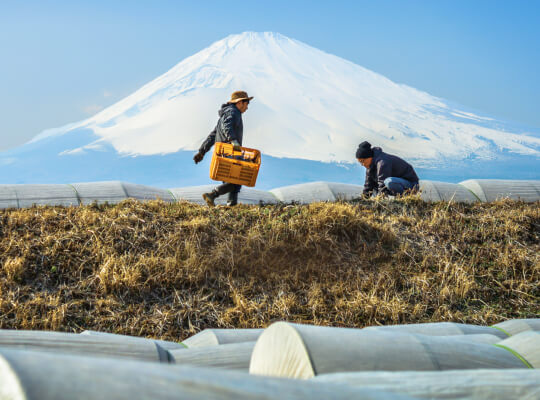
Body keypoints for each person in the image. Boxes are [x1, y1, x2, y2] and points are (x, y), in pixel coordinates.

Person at [193, 91, 253, 207]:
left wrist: (202, 151)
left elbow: (213, 135)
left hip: (222, 153)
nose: (247, 108)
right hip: (229, 152)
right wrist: (233, 140)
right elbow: (227, 126)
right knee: (237, 180)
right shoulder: (233, 112)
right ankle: (213, 194)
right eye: (247, 104)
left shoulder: (225, 115)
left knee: (233, 181)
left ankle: (231, 205)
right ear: (240, 103)